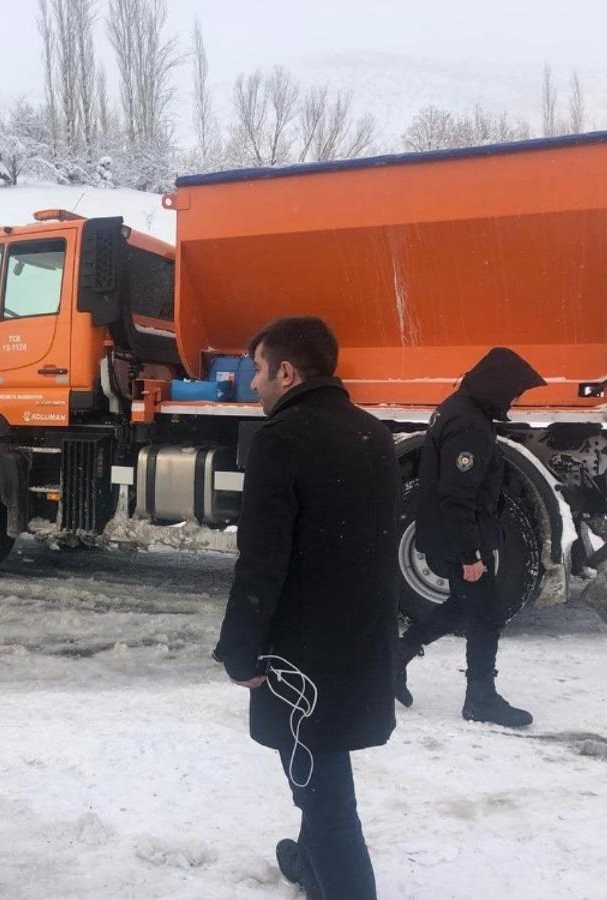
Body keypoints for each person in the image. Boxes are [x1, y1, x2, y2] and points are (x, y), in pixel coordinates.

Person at [214, 316, 398, 900]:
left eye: (259, 372)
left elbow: (262, 560)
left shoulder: (281, 439)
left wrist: (239, 649)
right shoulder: (373, 432)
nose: (253, 386)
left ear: (287, 372)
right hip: (360, 640)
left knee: (328, 793)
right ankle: (310, 866)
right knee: (318, 757)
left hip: (302, 652)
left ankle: (340, 881)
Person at [394, 347, 547, 728]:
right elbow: (458, 495)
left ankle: (396, 657)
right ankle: (480, 698)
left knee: (465, 606)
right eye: (513, 392)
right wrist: (469, 554)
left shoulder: (459, 408)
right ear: (496, 385)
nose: (514, 400)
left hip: (444, 533)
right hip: (456, 537)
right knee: (487, 614)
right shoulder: (468, 424)